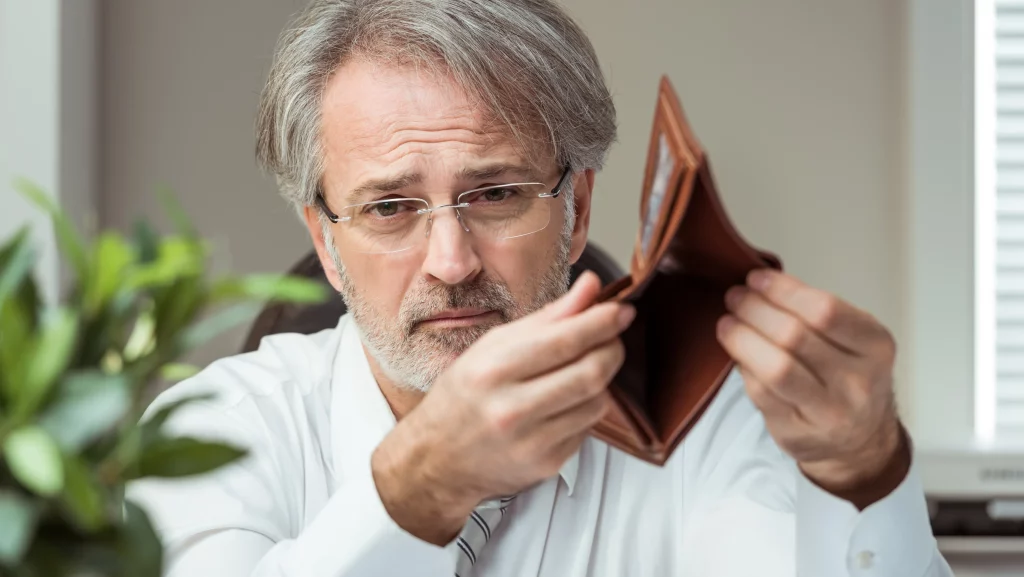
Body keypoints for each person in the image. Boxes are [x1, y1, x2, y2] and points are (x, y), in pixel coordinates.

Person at [126, 1, 954, 575]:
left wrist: (863, 468)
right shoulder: (216, 430)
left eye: (495, 194)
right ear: (325, 242)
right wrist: (418, 490)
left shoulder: (706, 417)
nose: (451, 260)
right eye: (389, 206)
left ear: (577, 204)